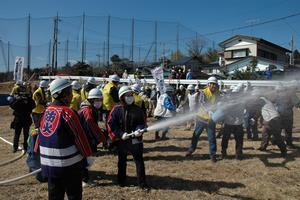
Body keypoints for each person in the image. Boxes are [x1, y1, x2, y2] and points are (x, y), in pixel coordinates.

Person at [38, 78, 92, 200]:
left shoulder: (46, 111)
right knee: (74, 195)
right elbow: (79, 136)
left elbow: (41, 135)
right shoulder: (67, 112)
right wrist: (87, 154)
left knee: (54, 195)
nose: (71, 94)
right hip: (69, 164)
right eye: (69, 91)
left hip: (49, 164)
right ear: (62, 94)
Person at [107, 86, 147, 188]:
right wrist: (120, 134)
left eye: (131, 95)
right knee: (122, 161)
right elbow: (111, 124)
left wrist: (139, 130)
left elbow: (142, 122)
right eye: (127, 95)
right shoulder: (116, 110)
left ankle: (142, 184)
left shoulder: (138, 110)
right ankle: (121, 181)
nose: (130, 97)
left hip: (135, 141)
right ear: (121, 97)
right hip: (122, 141)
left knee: (139, 161)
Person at [185, 76, 220, 162]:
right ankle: (191, 150)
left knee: (212, 138)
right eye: (212, 84)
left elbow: (219, 102)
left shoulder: (218, 93)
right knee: (196, 135)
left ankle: (213, 155)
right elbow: (202, 102)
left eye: (215, 84)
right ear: (208, 84)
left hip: (211, 120)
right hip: (201, 118)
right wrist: (209, 110)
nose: (214, 86)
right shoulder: (203, 92)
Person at [78, 88, 107, 186]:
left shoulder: (88, 109)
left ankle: (83, 177)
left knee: (84, 159)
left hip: (84, 138)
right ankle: (84, 180)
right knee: (85, 159)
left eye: (100, 100)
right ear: (91, 100)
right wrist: (101, 138)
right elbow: (91, 126)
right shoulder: (88, 111)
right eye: (96, 100)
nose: (99, 102)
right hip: (84, 139)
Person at [221, 87, 245, 160]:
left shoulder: (228, 100)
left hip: (230, 123)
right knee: (238, 140)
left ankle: (224, 153)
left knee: (226, 139)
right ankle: (238, 155)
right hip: (237, 123)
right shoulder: (242, 100)